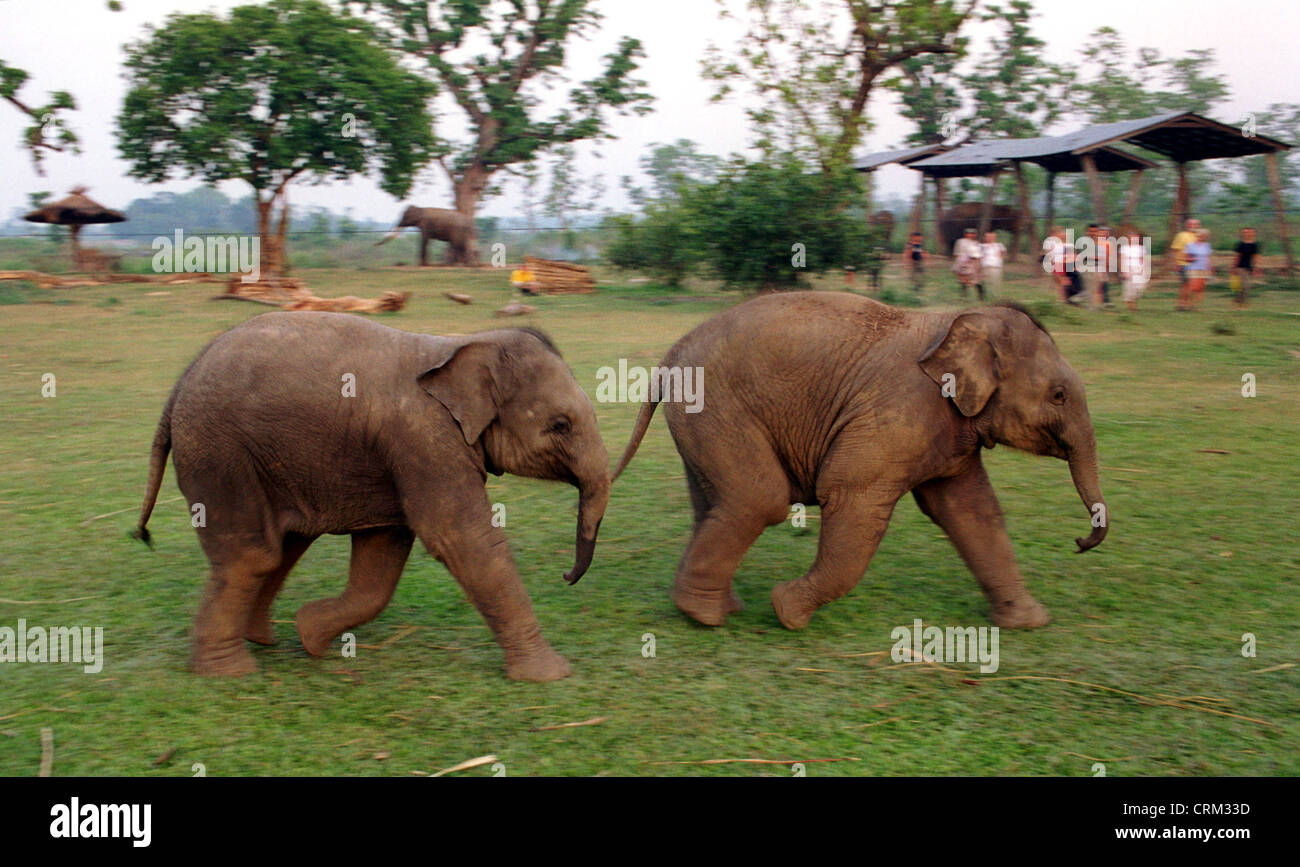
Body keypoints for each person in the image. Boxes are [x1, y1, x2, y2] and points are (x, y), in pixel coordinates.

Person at [1179, 228, 1212, 311]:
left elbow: (1208, 258)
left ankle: (1195, 305)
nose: (1202, 237)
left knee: (1200, 288)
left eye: (1204, 235)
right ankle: (1186, 304)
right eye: (1200, 235)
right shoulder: (1190, 245)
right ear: (1197, 236)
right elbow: (1185, 258)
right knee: (1193, 287)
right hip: (1193, 268)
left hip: (1203, 269)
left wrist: (1210, 267)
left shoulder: (1207, 245)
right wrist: (1191, 259)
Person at [1118, 229, 1149, 312]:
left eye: (1136, 237)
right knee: (1129, 288)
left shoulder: (1142, 248)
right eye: (1131, 237)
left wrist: (1144, 270)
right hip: (1128, 270)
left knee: (1140, 288)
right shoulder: (1124, 248)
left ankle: (1132, 301)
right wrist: (1123, 271)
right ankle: (1131, 306)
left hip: (1139, 270)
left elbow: (1144, 260)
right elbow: (1121, 260)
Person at [1170, 217, 1201, 295]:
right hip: (1183, 264)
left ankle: (1190, 304)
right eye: (1190, 224)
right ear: (1186, 225)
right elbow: (1175, 250)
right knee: (1186, 284)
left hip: (1197, 265)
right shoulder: (1181, 235)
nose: (1192, 226)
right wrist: (1175, 263)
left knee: (1195, 285)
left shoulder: (1200, 236)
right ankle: (1182, 304)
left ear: (1199, 225)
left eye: (1195, 224)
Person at [1232, 227, 1258, 307]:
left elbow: (1254, 257)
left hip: (1249, 267)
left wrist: (1255, 268)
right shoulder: (1240, 244)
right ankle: (1243, 302)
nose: (1247, 234)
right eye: (1245, 233)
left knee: (1247, 286)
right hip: (1241, 267)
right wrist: (1234, 267)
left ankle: (1238, 300)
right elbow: (1237, 256)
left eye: (1249, 232)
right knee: (1244, 285)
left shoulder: (1254, 245)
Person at [952, 227, 981, 298]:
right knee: (963, 279)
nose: (970, 235)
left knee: (976, 280)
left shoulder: (976, 243)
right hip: (962, 261)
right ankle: (964, 296)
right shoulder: (960, 241)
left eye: (972, 234)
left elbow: (978, 254)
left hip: (973, 262)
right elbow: (956, 253)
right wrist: (958, 263)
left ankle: (980, 296)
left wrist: (978, 264)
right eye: (968, 233)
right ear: (965, 234)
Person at [978, 231, 1005, 299]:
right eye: (987, 237)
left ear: (995, 238)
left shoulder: (999, 245)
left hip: (996, 267)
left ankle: (997, 297)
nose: (990, 238)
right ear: (985, 238)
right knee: (986, 282)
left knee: (996, 282)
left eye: (991, 237)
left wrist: (999, 259)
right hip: (985, 266)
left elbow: (1003, 252)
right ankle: (986, 297)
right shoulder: (981, 246)